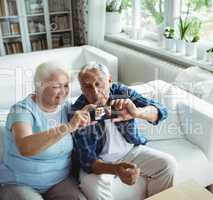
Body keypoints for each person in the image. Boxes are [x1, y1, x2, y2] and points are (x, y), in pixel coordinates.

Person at [71, 62, 177, 200]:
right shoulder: (78, 111)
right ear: (82, 89)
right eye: (87, 87)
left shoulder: (122, 92)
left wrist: (137, 113)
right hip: (100, 161)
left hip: (131, 152)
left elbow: (161, 110)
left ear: (109, 81)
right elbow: (87, 161)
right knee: (93, 187)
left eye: (99, 84)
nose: (95, 92)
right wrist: (116, 169)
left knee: (167, 164)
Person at [0, 61, 90, 200]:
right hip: (18, 183)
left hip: (59, 181)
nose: (63, 91)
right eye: (57, 86)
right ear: (39, 87)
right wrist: (67, 127)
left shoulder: (67, 107)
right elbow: (25, 147)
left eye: (66, 85)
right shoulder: (21, 110)